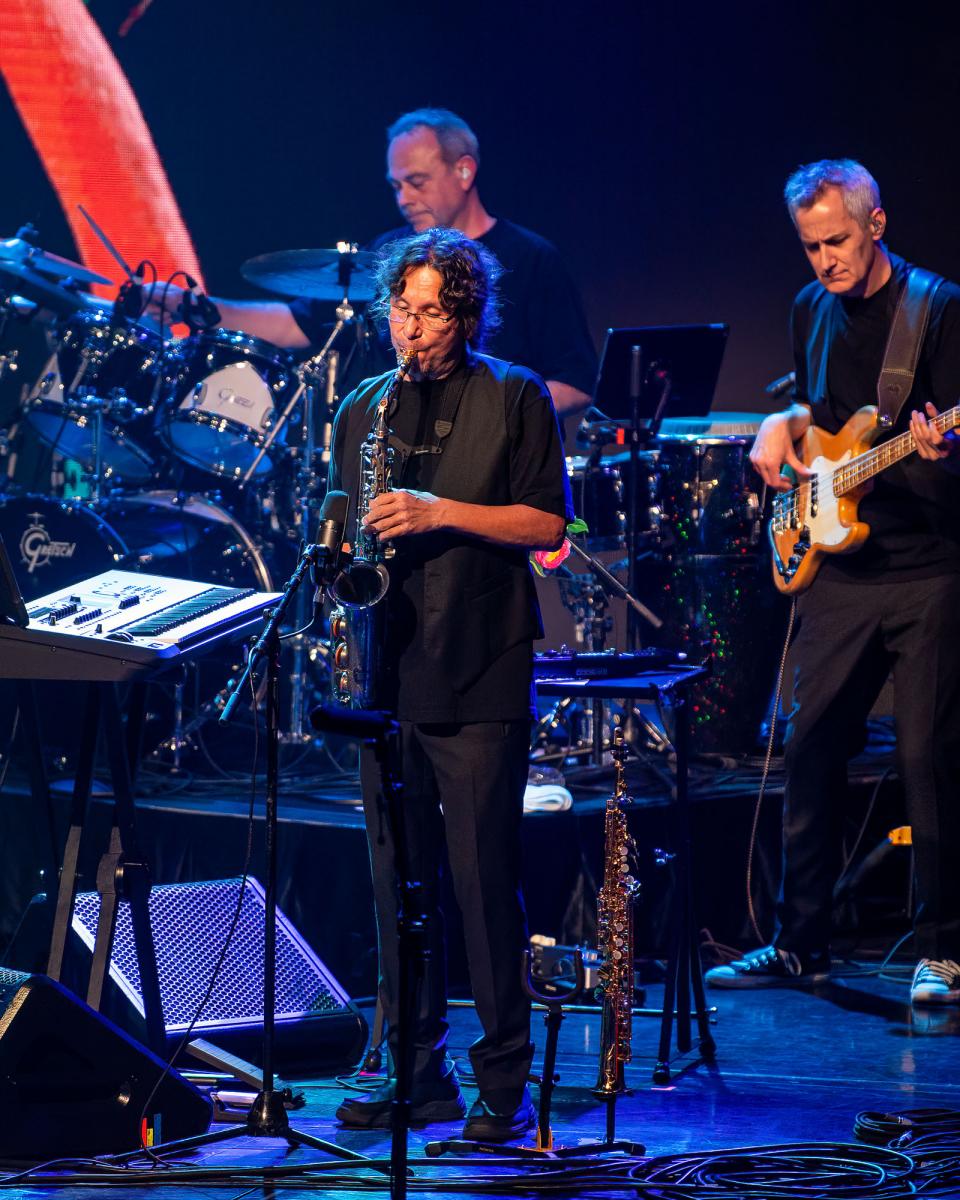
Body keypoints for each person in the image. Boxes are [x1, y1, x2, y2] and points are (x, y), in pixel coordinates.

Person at [328, 227, 571, 1139]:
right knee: (399, 889)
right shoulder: (363, 407)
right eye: (403, 310)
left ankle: (504, 1079)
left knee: (481, 883)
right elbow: (339, 517)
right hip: (387, 673)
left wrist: (439, 513)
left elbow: (547, 524)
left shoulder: (516, 394)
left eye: (432, 313)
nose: (413, 329)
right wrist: (336, 553)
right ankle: (413, 1066)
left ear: (465, 316)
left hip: (480, 670)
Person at [706, 159, 960, 1005]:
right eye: (811, 246)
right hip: (841, 567)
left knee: (926, 757)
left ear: (876, 224)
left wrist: (941, 449)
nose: (825, 261)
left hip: (929, 564)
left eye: (838, 242)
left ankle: (943, 951)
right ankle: (798, 943)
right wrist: (782, 424)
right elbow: (819, 415)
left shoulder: (938, 308)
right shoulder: (809, 308)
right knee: (809, 746)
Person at [149, 108, 597, 417]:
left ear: (464, 171)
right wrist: (191, 306)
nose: (404, 198)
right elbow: (296, 324)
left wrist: (492, 419)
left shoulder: (532, 258)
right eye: (396, 186)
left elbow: (575, 384)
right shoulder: (389, 254)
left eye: (417, 182)